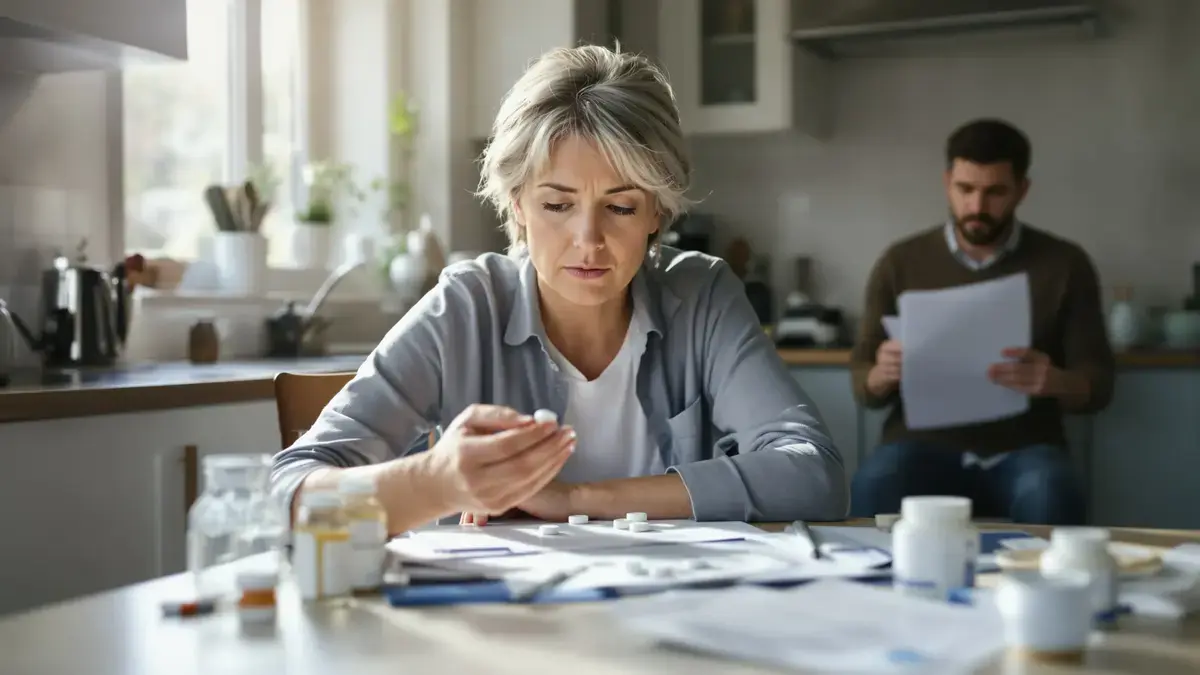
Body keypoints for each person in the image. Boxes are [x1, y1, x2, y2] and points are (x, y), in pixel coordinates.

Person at [271, 44, 848, 535]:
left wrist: (579, 499)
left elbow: (814, 475)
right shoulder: (466, 307)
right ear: (518, 205)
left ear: (657, 211)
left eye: (620, 206)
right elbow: (288, 495)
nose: (588, 239)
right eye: (557, 205)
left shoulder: (702, 295)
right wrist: (437, 481)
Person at [848, 118, 1114, 526]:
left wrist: (1056, 381)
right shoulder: (899, 263)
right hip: (919, 445)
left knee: (1051, 490)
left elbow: (1099, 385)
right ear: (947, 182)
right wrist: (880, 375)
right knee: (875, 481)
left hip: (1027, 446)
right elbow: (863, 385)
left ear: (1022, 190)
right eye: (965, 189)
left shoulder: (1065, 264)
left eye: (995, 192)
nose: (977, 207)